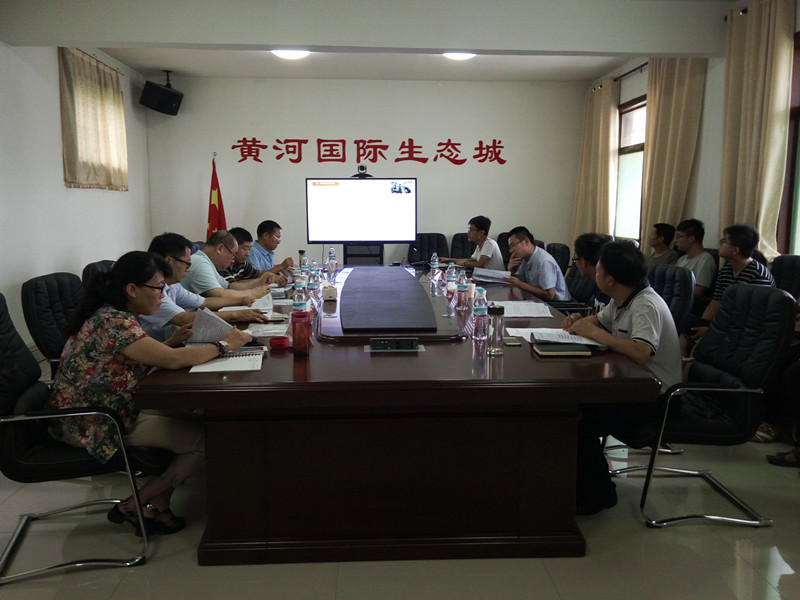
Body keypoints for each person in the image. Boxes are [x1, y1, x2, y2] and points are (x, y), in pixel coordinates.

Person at [49, 251, 252, 535]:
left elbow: (133, 358)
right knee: (208, 441)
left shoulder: (113, 315)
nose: (162, 295)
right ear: (132, 289)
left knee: (201, 420)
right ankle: (134, 504)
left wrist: (170, 342)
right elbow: (172, 361)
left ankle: (158, 502)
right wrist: (224, 345)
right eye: (158, 288)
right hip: (98, 422)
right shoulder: (113, 322)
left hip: (112, 408)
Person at [564, 241, 682, 514]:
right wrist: (579, 322)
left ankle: (599, 494)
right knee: (572, 409)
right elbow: (598, 321)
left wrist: (595, 333)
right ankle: (578, 481)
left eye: (598, 270)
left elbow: (641, 351)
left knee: (577, 417)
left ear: (610, 280)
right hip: (634, 388)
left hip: (658, 400)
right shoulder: (622, 299)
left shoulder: (645, 304)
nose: (594, 274)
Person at [141, 232, 269, 341]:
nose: (188, 269)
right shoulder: (151, 289)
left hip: (172, 341)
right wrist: (235, 314)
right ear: (169, 261)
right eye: (187, 263)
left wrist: (241, 300)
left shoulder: (173, 285)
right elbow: (183, 318)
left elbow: (204, 302)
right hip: (155, 351)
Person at [180, 230, 269, 299]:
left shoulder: (207, 262)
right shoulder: (200, 263)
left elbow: (230, 286)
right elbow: (220, 295)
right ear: (220, 248)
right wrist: (253, 293)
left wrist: (259, 282)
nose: (233, 260)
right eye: (233, 255)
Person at [559, 232, 612, 328]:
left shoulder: (610, 286)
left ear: (583, 262)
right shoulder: (597, 282)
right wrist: (581, 317)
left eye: (575, 259)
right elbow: (597, 315)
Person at [504, 226, 570, 301]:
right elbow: (517, 281)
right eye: (510, 247)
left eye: (513, 245)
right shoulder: (525, 258)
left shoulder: (543, 261)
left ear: (526, 241)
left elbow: (549, 295)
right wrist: (511, 269)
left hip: (557, 304)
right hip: (537, 299)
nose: (511, 250)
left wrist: (519, 283)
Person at [219, 227, 287, 288]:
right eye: (245, 249)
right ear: (234, 247)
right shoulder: (222, 265)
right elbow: (233, 286)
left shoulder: (242, 263)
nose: (248, 254)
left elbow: (257, 274)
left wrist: (271, 276)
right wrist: (261, 280)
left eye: (249, 249)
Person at [437, 215, 505, 270]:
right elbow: (472, 261)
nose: (468, 233)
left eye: (471, 229)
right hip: (487, 278)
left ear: (481, 232)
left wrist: (463, 263)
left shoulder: (489, 243)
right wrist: (448, 260)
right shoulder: (480, 245)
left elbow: (479, 265)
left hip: (497, 280)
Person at [674, 218, 717, 301]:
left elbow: (699, 291)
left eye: (678, 237)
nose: (675, 241)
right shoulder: (682, 259)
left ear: (691, 239)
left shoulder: (705, 260)